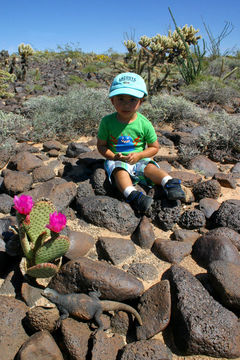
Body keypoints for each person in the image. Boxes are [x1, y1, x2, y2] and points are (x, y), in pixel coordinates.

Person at [97, 72, 185, 213]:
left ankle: (169, 182)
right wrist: (113, 156)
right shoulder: (107, 122)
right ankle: (133, 195)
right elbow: (101, 146)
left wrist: (139, 155)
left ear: (141, 101)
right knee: (119, 171)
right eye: (120, 99)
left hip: (139, 158)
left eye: (132, 99)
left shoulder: (144, 123)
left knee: (149, 168)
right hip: (117, 159)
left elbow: (154, 147)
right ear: (112, 100)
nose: (126, 104)